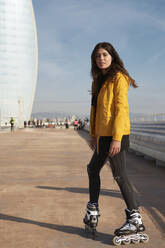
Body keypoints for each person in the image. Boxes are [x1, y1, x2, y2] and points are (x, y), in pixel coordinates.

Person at [83, 42, 148, 244]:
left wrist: (117, 138)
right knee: (93, 168)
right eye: (97, 56)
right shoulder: (98, 81)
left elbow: (121, 109)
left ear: (112, 56)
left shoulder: (119, 78)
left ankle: (135, 218)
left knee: (119, 175)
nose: (101, 58)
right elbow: (94, 111)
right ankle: (93, 208)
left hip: (116, 135)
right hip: (102, 136)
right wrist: (93, 135)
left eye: (104, 54)